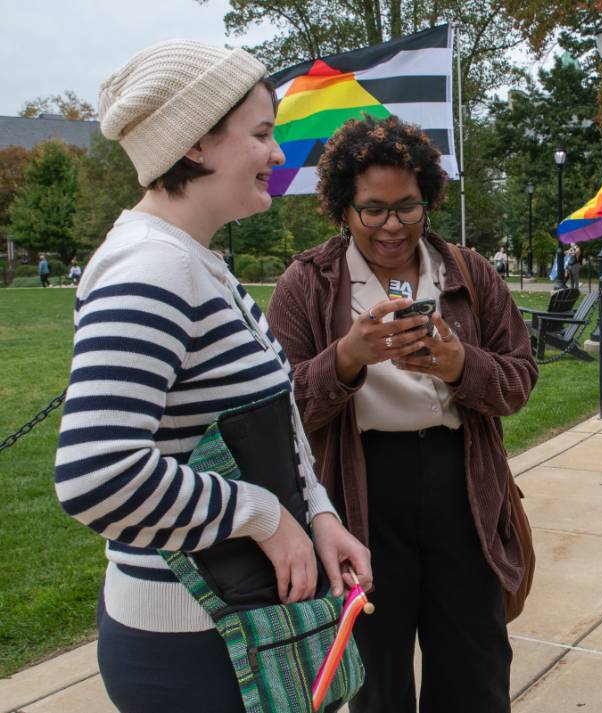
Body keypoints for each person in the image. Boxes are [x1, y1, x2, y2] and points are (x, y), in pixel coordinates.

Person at [53, 40, 371, 713]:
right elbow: (95, 473)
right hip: (194, 648)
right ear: (197, 144)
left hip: (242, 629)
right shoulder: (150, 270)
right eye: (261, 134)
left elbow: (265, 422)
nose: (278, 155)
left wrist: (316, 514)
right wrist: (261, 516)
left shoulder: (197, 263)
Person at [266, 115, 538, 713]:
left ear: (428, 200)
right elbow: (279, 407)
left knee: (476, 668)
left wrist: (459, 364)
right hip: (360, 491)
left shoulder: (468, 274)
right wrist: (344, 359)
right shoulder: (308, 283)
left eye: (408, 207)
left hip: (461, 485)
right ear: (344, 208)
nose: (393, 226)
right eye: (374, 210)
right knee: (376, 676)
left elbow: (520, 382)